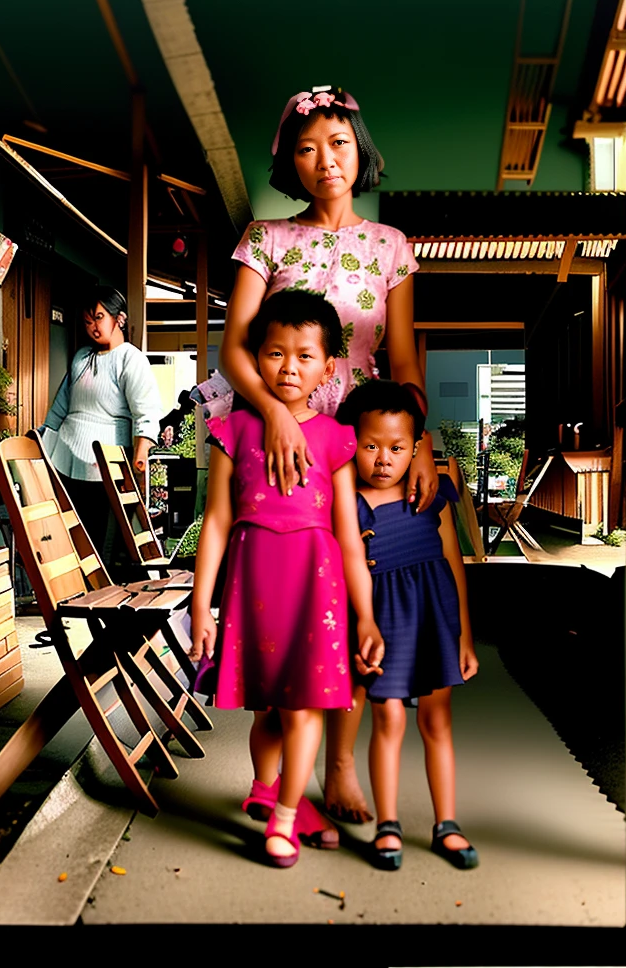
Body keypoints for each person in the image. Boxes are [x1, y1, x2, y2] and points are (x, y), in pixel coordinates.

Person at [194, 83, 438, 823]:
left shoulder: (392, 246)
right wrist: (271, 411)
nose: (325, 159)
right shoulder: (264, 238)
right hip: (277, 442)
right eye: (307, 147)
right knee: (286, 604)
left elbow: (402, 360)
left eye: (338, 143)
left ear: (360, 148)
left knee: (356, 597)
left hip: (360, 444)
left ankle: (338, 770)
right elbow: (235, 346)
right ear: (288, 162)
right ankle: (278, 781)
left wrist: (420, 444)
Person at [189, 291, 384, 868]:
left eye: (304, 356)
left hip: (315, 589)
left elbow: (349, 536)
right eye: (275, 353)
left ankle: (285, 817)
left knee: (304, 709)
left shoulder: (336, 439)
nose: (289, 368)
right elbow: (217, 522)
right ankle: (266, 785)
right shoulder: (232, 429)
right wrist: (203, 606)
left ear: (329, 368)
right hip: (253, 586)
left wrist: (366, 614)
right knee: (266, 710)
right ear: (255, 356)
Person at [338, 379, 479, 870]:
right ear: (351, 442)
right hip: (382, 621)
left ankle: (447, 824)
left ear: (416, 446)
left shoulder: (427, 495)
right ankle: (388, 825)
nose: (382, 459)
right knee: (389, 719)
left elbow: (453, 562)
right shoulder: (346, 504)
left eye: (396, 448)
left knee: (436, 720)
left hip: (433, 616)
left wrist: (464, 634)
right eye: (370, 446)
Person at [40, 286, 161, 565]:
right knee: (70, 533)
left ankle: (100, 597)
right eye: (87, 321)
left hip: (106, 458)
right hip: (66, 454)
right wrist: (42, 441)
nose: (93, 326)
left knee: (100, 539)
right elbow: (61, 406)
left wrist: (140, 457)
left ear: (118, 318)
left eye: (99, 317)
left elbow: (146, 411)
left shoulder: (131, 358)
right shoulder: (81, 356)